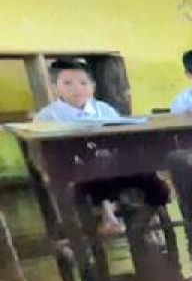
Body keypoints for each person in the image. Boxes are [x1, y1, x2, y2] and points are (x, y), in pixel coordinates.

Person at [35, 58, 170, 236]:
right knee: (98, 163)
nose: (77, 89)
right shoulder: (47, 117)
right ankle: (108, 216)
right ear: (55, 87)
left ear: (93, 86)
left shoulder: (104, 110)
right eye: (67, 83)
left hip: (113, 169)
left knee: (150, 178)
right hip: (76, 175)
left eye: (83, 83)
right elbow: (45, 154)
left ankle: (139, 227)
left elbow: (121, 138)